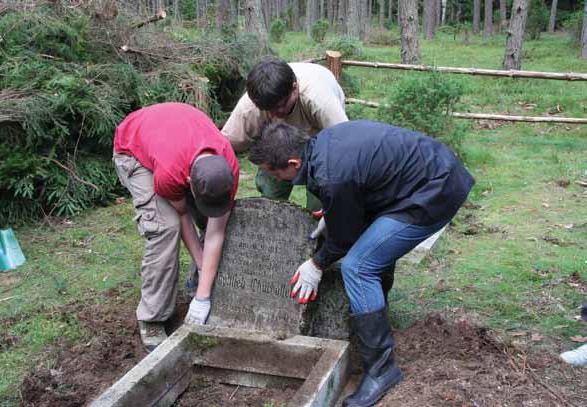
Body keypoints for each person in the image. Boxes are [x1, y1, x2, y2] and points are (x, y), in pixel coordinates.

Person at [249, 121, 475, 407]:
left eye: (274, 172)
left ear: (293, 163)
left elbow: (344, 239)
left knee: (359, 266)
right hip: (425, 175)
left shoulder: (332, 176)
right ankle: (375, 324)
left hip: (433, 192)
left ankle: (382, 370)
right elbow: (359, 183)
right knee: (372, 251)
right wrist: (336, 210)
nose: (276, 180)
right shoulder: (323, 144)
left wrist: (316, 265)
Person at [113, 102, 239, 353]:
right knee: (164, 226)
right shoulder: (171, 173)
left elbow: (216, 232)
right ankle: (152, 317)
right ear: (189, 181)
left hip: (172, 137)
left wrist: (202, 298)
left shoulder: (230, 167)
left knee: (207, 218)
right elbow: (181, 214)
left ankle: (198, 286)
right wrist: (202, 261)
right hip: (133, 150)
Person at [222, 57, 348, 212]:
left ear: (295, 88)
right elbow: (224, 145)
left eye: (280, 107)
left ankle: (319, 231)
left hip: (321, 141)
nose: (276, 114)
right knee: (270, 195)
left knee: (321, 201)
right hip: (276, 143)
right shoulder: (251, 106)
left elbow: (345, 147)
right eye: (269, 109)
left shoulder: (320, 101)